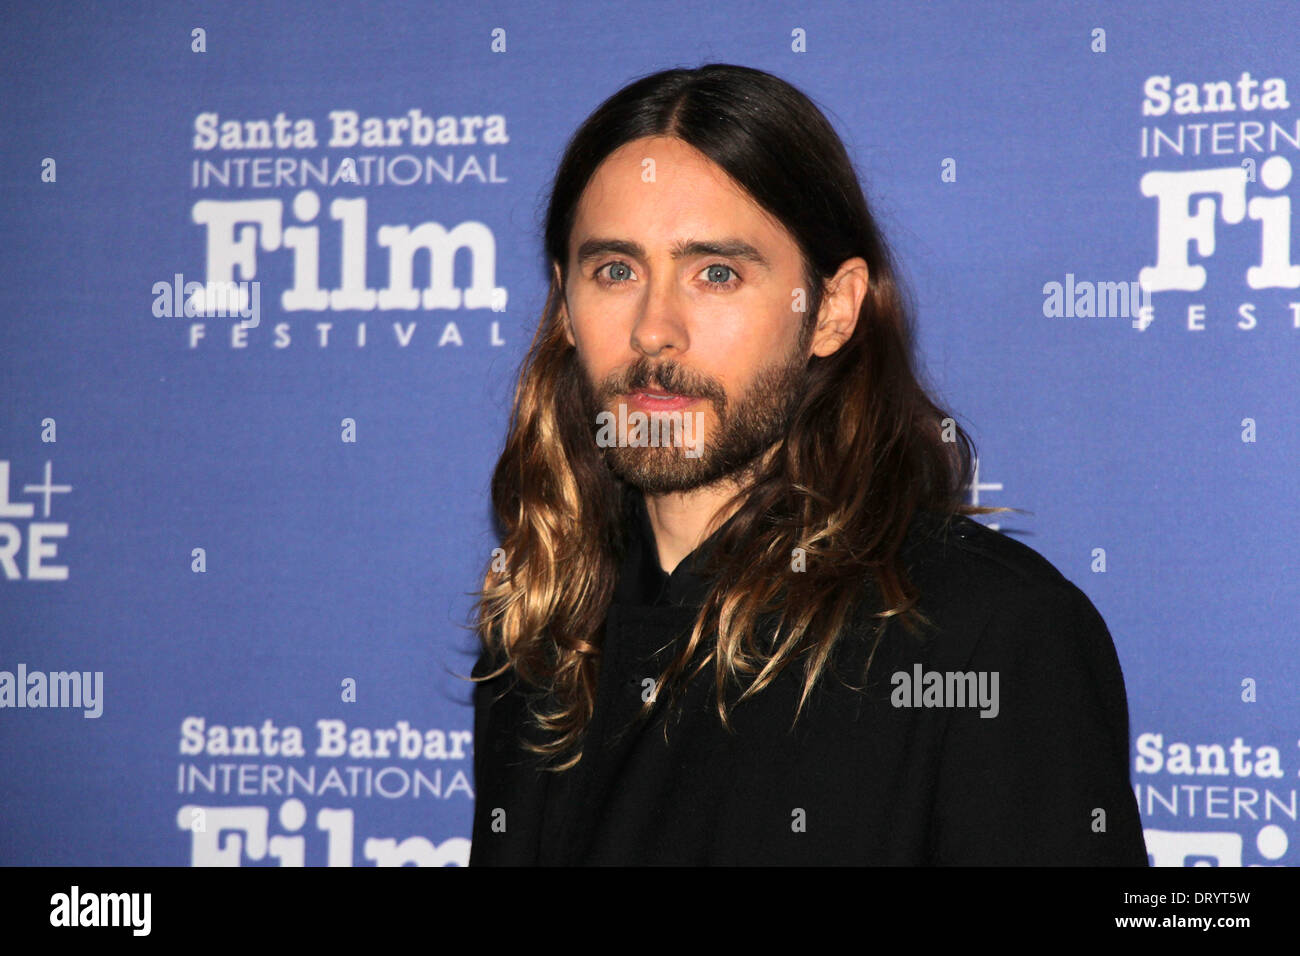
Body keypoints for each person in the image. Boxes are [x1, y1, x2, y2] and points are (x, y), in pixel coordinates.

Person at [467, 63, 1149, 865]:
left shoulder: (987, 635)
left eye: (716, 274)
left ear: (831, 309)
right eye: (615, 271)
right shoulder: (540, 639)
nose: (655, 329)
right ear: (566, 306)